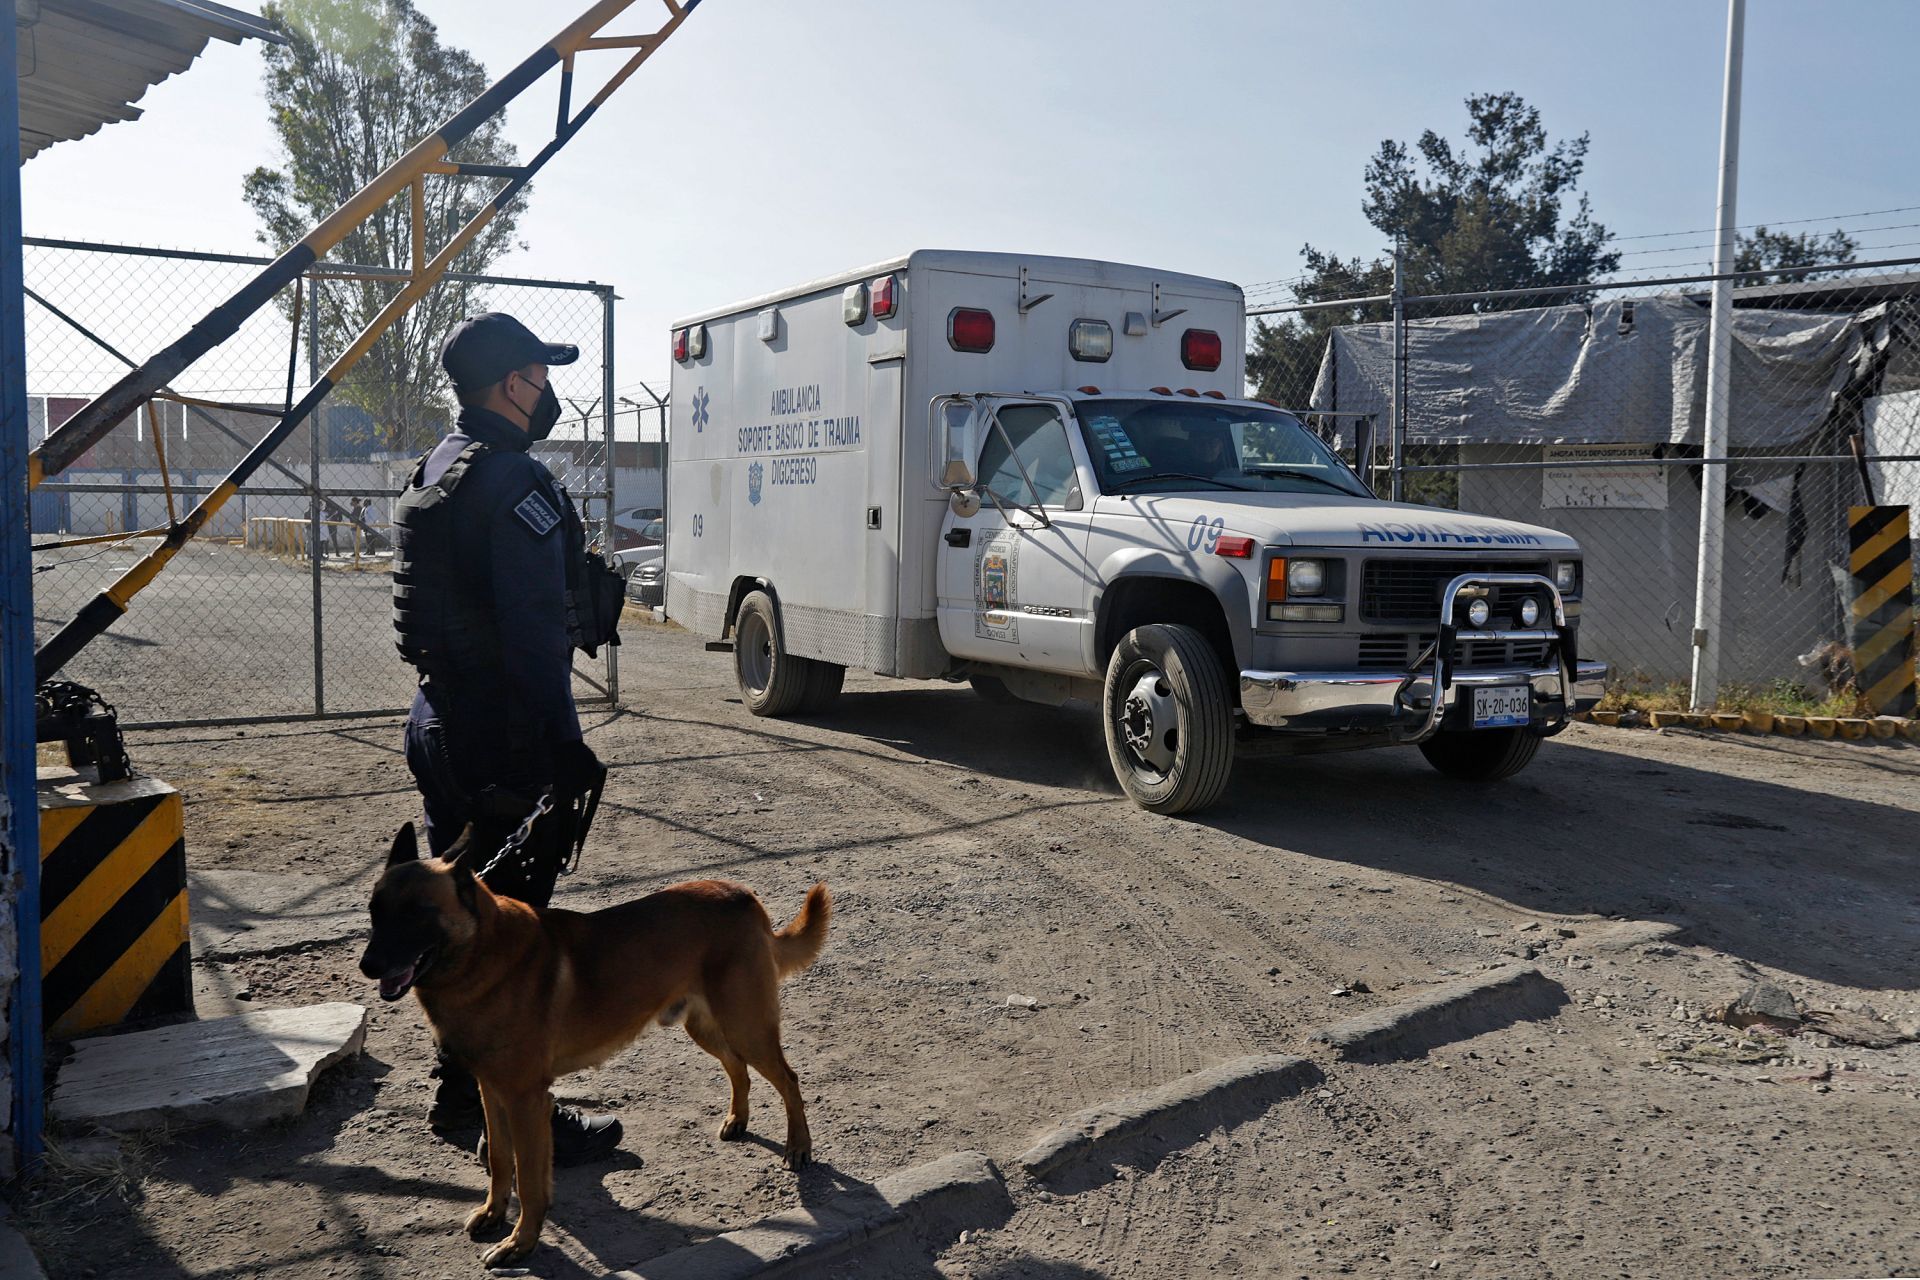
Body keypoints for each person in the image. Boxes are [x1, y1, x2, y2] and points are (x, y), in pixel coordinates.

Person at [390, 311, 621, 1165]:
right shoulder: (515, 479)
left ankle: (461, 1099)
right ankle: (509, 1117)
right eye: (540, 372)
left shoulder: (440, 466)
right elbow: (530, 630)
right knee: (513, 934)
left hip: (441, 719)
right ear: (515, 384)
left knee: (462, 921)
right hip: (502, 734)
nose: (548, 387)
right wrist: (562, 746)